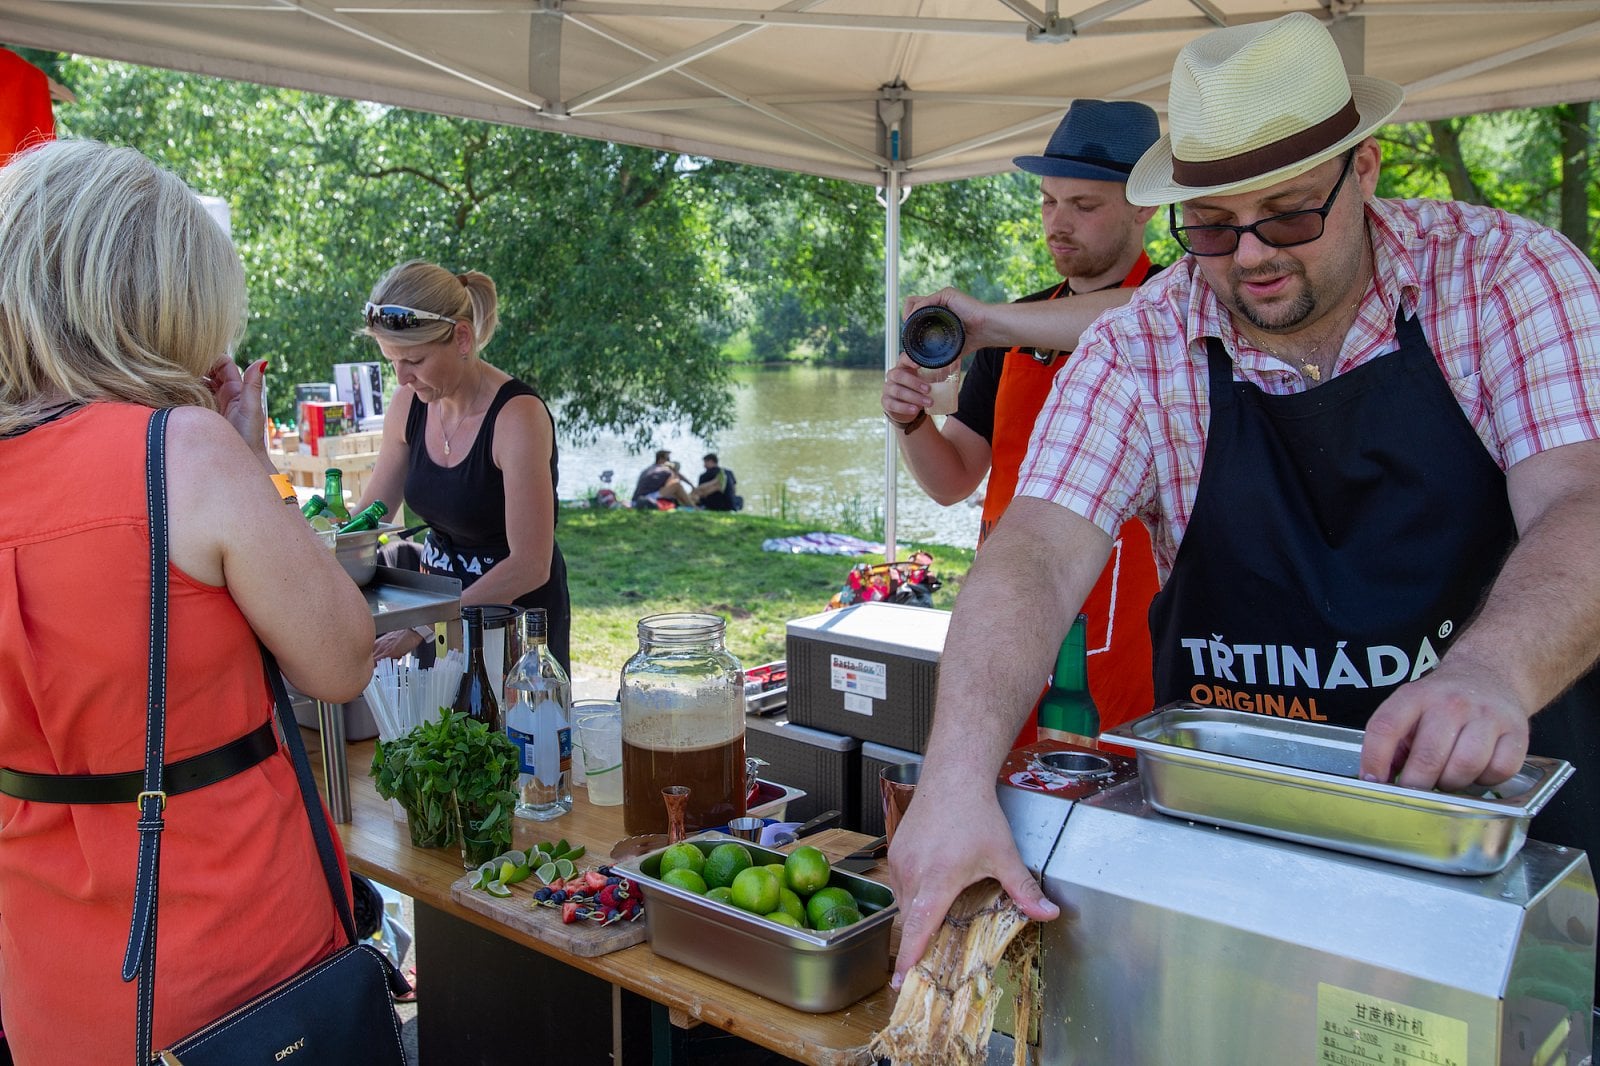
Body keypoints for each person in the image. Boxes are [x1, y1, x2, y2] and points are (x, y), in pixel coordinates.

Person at [887, 10, 1600, 991]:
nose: (1254, 255)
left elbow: (1582, 501)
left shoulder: (1505, 281)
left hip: (1487, 861)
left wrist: (1489, 669)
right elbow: (1035, 552)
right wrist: (954, 777)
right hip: (1236, 874)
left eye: (1292, 213)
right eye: (1214, 225)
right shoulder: (1140, 342)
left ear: (1367, 170)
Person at [0, 139, 376, 1060]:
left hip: (47, 964)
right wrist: (248, 462)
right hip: (236, 959)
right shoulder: (180, 452)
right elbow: (339, 659)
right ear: (156, 298)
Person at [881, 99, 1165, 735]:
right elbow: (954, 480)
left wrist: (989, 320)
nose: (1057, 224)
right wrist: (910, 421)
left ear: (1144, 205)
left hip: (1132, 625)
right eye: (1047, 201)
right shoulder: (1014, 326)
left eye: (1084, 206)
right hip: (1011, 608)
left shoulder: (1180, 307)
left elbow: (1139, 320)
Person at [359, 260, 572, 671]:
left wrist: (422, 625)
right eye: (392, 362)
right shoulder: (409, 405)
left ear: (461, 337)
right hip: (436, 607)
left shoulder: (517, 416)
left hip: (514, 623)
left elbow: (530, 563)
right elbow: (373, 516)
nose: (402, 378)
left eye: (414, 361)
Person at [631, 448, 697, 509]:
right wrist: (692, 486)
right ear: (661, 459)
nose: (670, 461)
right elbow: (677, 480)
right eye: (668, 459)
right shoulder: (665, 470)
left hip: (636, 499)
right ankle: (694, 508)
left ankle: (687, 505)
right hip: (647, 499)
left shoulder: (649, 469)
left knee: (672, 487)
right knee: (676, 484)